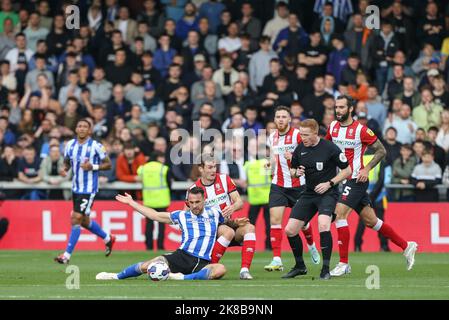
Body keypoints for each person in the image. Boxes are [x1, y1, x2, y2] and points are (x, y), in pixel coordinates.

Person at [326, 95, 418, 276]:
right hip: (342, 179)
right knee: (371, 221)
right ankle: (407, 245)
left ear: (350, 109)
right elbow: (327, 148)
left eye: (342, 107)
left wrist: (366, 169)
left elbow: (381, 150)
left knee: (339, 214)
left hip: (356, 179)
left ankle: (344, 263)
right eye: (336, 107)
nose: (338, 111)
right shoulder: (333, 127)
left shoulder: (361, 130)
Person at [96, 187, 227, 281]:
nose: (194, 206)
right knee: (149, 265)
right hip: (181, 256)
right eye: (191, 203)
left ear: (204, 200)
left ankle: (182, 277)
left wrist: (237, 223)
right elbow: (155, 215)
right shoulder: (181, 215)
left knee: (220, 269)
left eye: (197, 202)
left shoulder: (215, 213)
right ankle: (116, 276)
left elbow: (227, 223)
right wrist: (132, 202)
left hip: (203, 261)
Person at [283, 118, 352, 280]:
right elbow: (293, 169)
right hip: (309, 193)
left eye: (306, 135)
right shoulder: (300, 149)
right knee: (290, 230)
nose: (303, 138)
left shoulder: (330, 148)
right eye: (301, 134)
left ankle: (325, 269)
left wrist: (330, 183)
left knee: (323, 224)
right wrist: (296, 173)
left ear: (315, 133)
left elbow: (347, 170)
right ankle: (300, 266)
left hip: (328, 193)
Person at [264, 106, 319, 272]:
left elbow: (309, 153)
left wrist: (294, 157)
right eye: (278, 116)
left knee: (303, 224)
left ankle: (311, 245)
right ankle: (277, 259)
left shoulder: (297, 135)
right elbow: (273, 157)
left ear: (289, 119)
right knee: (274, 220)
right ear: (275, 119)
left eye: (284, 117)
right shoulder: (271, 137)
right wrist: (270, 165)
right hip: (278, 184)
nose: (280, 119)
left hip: (298, 185)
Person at [54, 119, 115, 264]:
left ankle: (66, 256)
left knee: (76, 218)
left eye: (85, 127)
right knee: (84, 221)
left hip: (89, 189)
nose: (82, 129)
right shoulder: (70, 145)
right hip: (76, 188)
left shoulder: (96, 146)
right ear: (76, 129)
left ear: (89, 131)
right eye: (79, 126)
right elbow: (67, 162)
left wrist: (92, 167)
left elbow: (108, 164)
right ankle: (108, 238)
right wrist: (64, 169)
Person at [187, 155, 255, 280]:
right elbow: (186, 214)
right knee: (227, 231)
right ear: (201, 169)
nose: (213, 170)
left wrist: (232, 208)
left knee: (249, 228)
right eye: (210, 167)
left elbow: (239, 202)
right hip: (209, 231)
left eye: (215, 167)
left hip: (227, 225)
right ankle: (209, 267)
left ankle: (244, 271)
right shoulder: (194, 189)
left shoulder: (225, 179)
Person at [137, 151, 171, 251]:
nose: (163, 160)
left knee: (149, 224)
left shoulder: (143, 168)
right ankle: (160, 246)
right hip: (162, 200)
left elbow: (138, 174)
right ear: (158, 157)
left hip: (148, 200)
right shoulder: (163, 168)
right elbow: (169, 184)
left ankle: (149, 246)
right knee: (161, 224)